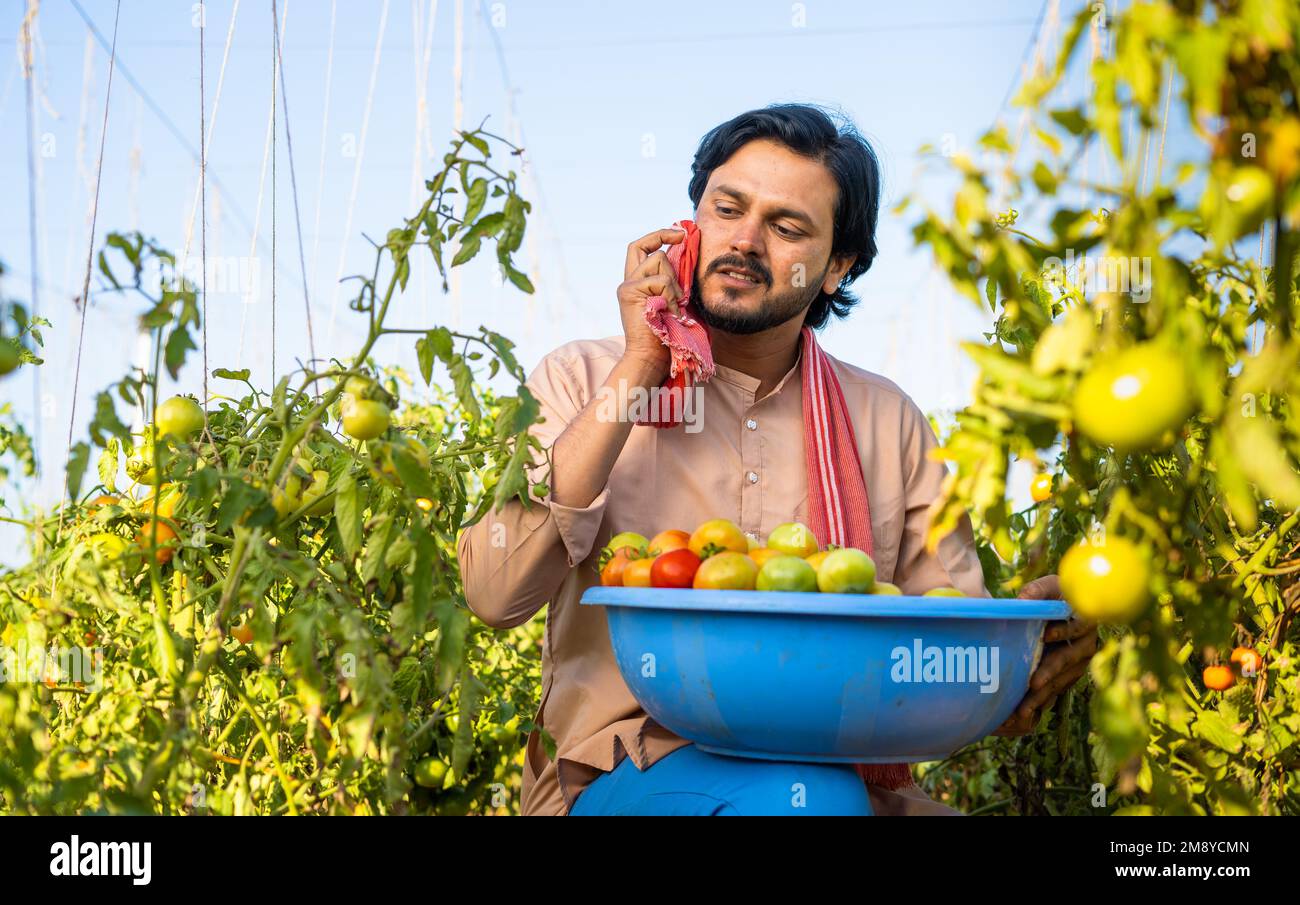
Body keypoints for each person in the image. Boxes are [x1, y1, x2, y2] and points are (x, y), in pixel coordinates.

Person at [456, 103, 1097, 816]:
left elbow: (939, 661)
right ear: (689, 224)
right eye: (726, 208)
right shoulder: (584, 381)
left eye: (787, 227)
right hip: (624, 767)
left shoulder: (888, 421)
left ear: (836, 267)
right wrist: (641, 365)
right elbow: (496, 590)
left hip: (844, 773)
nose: (745, 240)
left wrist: (1018, 661)